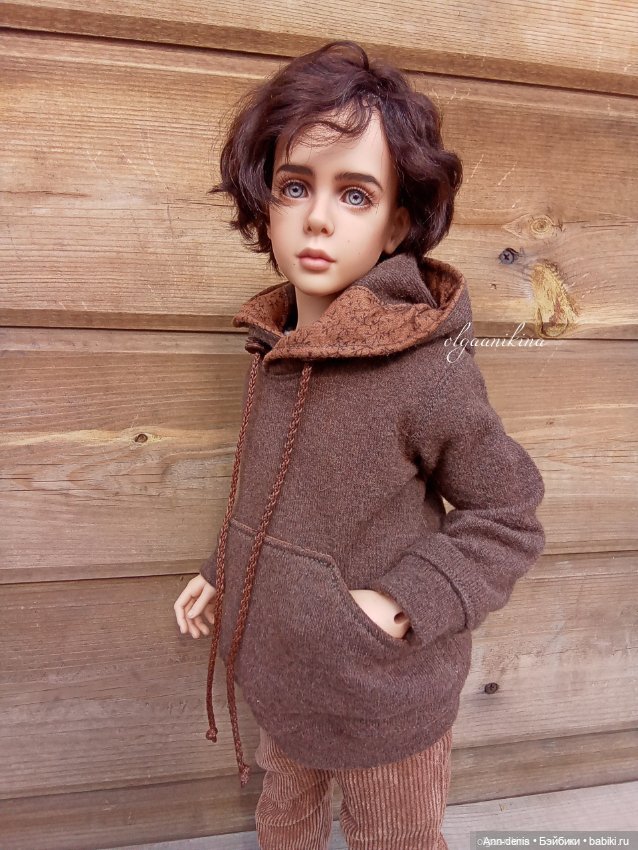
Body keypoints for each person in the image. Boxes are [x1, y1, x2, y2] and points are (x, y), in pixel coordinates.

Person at [173, 40, 546, 850]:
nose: (317, 217)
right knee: (284, 825)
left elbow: (509, 512)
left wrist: (400, 605)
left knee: (395, 837)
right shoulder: (271, 350)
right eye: (295, 186)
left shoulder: (424, 369)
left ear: (396, 224)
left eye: (355, 194)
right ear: (265, 201)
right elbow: (274, 492)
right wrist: (220, 569)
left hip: (386, 698)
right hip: (287, 684)